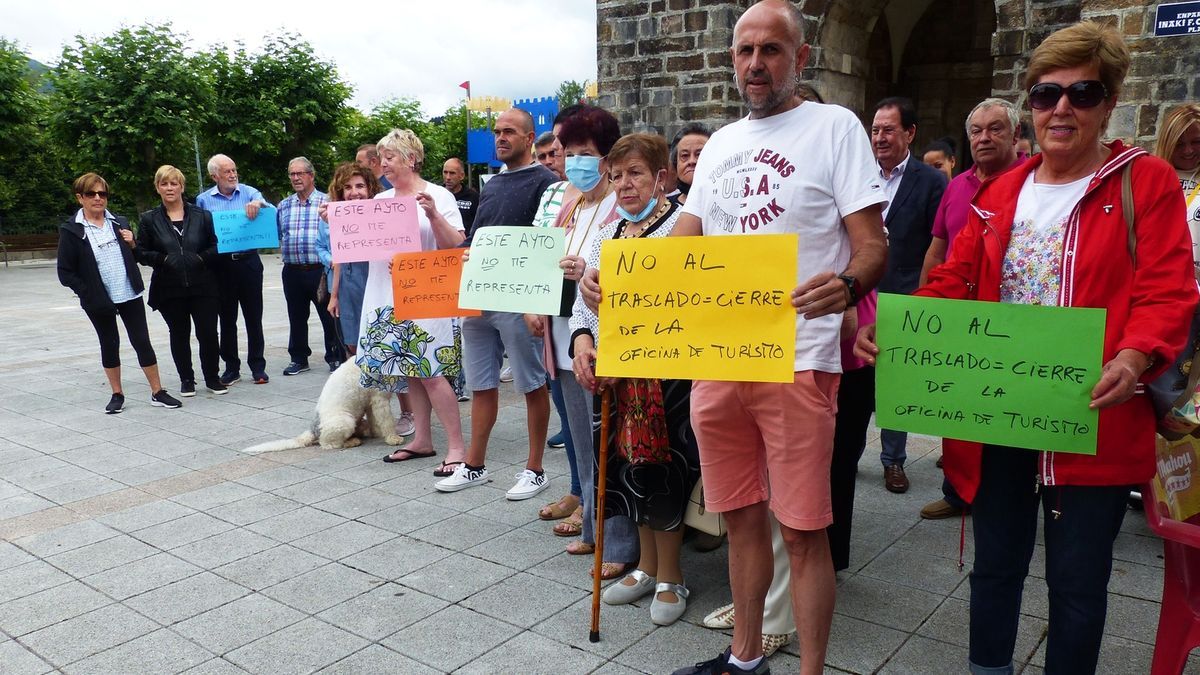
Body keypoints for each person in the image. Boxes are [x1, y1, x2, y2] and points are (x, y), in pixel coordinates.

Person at [856, 21, 1196, 674]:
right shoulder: (1000, 192)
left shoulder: (1143, 182)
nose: (1062, 107)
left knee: (1076, 584)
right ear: (1031, 107)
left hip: (1091, 415)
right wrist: (902, 320)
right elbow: (957, 278)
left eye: (1083, 92)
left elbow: (1167, 290)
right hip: (1000, 413)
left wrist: (1135, 355)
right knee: (995, 567)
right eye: (1046, 94)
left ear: (1109, 101)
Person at [572, 2, 885, 672]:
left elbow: (872, 245)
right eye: (744, 50)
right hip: (719, 358)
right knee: (740, 517)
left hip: (798, 358)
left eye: (771, 50)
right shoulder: (718, 145)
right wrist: (609, 286)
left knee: (803, 530)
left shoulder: (834, 128)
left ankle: (810, 667)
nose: (755, 63)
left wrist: (851, 286)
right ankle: (745, 658)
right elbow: (680, 249)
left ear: (800, 58)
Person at [571, 133, 700, 626]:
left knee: (661, 470)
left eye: (636, 174)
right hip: (615, 378)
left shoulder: (680, 229)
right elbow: (589, 304)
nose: (624, 184)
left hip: (664, 376)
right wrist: (583, 339)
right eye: (617, 175)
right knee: (627, 472)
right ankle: (645, 565)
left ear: (660, 178)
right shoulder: (611, 235)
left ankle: (672, 572)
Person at [526, 106, 639, 578]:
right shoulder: (573, 204)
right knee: (581, 438)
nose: (576, 162)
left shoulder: (623, 202)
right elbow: (540, 257)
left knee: (612, 441)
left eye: (586, 154)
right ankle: (594, 529)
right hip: (565, 333)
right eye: (569, 153)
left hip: (605, 336)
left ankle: (620, 541)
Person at [435, 108, 559, 498]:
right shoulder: (491, 184)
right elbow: (476, 237)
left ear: (529, 137)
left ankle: (535, 468)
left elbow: (547, 242)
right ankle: (474, 464)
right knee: (482, 383)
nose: (501, 137)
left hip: (519, 299)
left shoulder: (548, 182)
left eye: (509, 131)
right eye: (496, 132)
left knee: (531, 382)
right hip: (480, 296)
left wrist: (535, 302)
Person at [917, 98, 1027, 521]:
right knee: (959, 406)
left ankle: (1013, 497)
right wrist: (921, 311)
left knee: (1008, 410)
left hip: (1008, 322)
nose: (984, 137)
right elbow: (938, 248)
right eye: (977, 130)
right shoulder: (958, 184)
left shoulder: (1030, 183)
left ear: (1016, 135)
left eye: (996, 128)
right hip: (957, 316)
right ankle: (959, 491)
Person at [357, 129, 467, 466]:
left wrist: (433, 214)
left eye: (390, 157)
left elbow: (455, 243)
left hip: (426, 294)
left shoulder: (437, 196)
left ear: (411, 159)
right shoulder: (379, 202)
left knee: (431, 370)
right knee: (411, 368)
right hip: (388, 296)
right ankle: (422, 439)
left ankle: (457, 448)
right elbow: (367, 248)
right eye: (382, 158)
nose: (384, 164)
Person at [871, 96, 948, 494]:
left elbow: (937, 243)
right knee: (853, 381)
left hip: (903, 293)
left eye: (888, 130)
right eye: (875, 130)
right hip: (860, 295)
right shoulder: (857, 174)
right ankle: (844, 454)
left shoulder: (932, 182)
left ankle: (893, 461)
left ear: (909, 132)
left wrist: (924, 293)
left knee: (895, 380)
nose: (880, 138)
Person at [57, 173, 183, 414]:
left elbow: (138, 256)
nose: (97, 198)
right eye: (91, 194)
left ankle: (157, 391)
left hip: (128, 293)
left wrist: (133, 243)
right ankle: (117, 394)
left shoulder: (119, 222)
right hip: (98, 299)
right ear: (79, 198)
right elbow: (65, 272)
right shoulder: (71, 230)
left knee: (142, 342)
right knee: (109, 343)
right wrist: (88, 294)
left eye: (102, 194)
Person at [317, 163, 418, 438]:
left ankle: (409, 410)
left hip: (377, 286)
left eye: (359, 186)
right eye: (347, 187)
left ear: (370, 188)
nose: (354, 193)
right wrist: (334, 295)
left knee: (389, 349)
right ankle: (366, 414)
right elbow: (339, 259)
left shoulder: (383, 210)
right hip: (349, 286)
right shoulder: (336, 218)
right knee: (357, 351)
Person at [134, 165, 224, 397]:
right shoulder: (149, 219)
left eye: (174, 183)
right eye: (164, 183)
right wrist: (163, 259)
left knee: (208, 333)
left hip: (203, 284)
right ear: (158, 188)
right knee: (179, 334)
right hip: (169, 287)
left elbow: (215, 246)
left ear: (182, 187)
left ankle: (212, 377)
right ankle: (187, 379)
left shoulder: (202, 215)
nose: (169, 188)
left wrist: (200, 258)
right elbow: (141, 252)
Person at [195, 154, 270, 386]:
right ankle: (231, 367)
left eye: (234, 170)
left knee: (253, 317)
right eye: (227, 171)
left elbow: (268, 206)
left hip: (249, 262)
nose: (233, 175)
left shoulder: (249, 192)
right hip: (222, 265)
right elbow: (200, 230)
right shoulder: (203, 200)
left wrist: (258, 204)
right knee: (227, 318)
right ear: (214, 175)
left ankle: (258, 366)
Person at [277, 157, 342, 376]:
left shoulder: (327, 202)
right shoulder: (284, 205)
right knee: (296, 316)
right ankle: (298, 358)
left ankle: (334, 356)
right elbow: (278, 234)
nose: (296, 178)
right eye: (292, 174)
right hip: (292, 270)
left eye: (300, 173)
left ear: (311, 176)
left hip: (319, 269)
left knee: (328, 315)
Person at [1154, 103, 1200, 265]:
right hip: (1166, 277)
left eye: (1196, 142)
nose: (1188, 151)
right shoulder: (1152, 180)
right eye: (1179, 144)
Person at [669, 123, 711, 206]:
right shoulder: (662, 210)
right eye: (685, 155)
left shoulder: (728, 205)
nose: (692, 161)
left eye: (699, 154)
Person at [442, 157, 478, 232]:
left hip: (466, 241)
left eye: (452, 173)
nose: (448, 177)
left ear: (462, 176)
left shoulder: (473, 197)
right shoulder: (436, 195)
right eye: (445, 172)